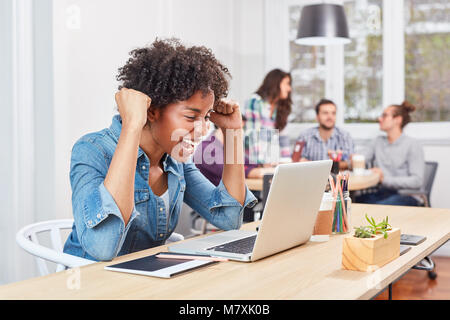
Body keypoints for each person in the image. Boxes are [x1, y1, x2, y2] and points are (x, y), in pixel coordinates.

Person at [63, 39, 257, 261]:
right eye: (192, 117)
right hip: (94, 283)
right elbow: (103, 248)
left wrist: (233, 133)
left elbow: (229, 218)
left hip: (146, 277)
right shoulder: (92, 150)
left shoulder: (176, 161)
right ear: (152, 111)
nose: (203, 130)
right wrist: (132, 126)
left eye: (206, 117)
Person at [355, 101, 424, 206]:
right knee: (353, 202)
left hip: (406, 195)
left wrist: (384, 179)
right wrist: (350, 158)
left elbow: (417, 181)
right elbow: (361, 157)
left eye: (384, 116)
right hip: (383, 193)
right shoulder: (378, 141)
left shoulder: (412, 144)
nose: (379, 119)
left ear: (397, 120)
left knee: (375, 208)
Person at [243, 69, 292, 164]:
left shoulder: (281, 108)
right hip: (252, 163)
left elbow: (283, 139)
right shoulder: (255, 101)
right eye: (287, 84)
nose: (289, 89)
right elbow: (252, 134)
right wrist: (261, 163)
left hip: (271, 163)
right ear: (276, 83)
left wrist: (287, 162)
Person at [296, 99, 354, 170]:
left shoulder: (345, 136)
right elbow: (297, 161)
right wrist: (335, 164)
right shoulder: (304, 136)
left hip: (337, 179)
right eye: (325, 113)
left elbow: (350, 163)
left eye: (333, 113)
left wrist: (314, 165)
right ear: (317, 117)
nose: (330, 117)